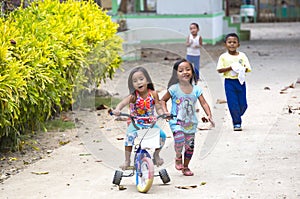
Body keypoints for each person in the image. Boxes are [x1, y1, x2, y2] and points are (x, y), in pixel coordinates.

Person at [161, 59, 214, 176]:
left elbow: (204, 103)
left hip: (191, 123)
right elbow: (163, 100)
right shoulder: (174, 89)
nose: (185, 72)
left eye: (188, 69)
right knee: (179, 139)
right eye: (181, 70)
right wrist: (165, 112)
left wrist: (209, 115)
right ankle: (178, 156)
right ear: (176, 74)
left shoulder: (196, 89)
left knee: (190, 147)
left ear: (192, 72)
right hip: (176, 121)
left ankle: (186, 167)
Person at [112, 66, 166, 170]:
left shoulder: (153, 94)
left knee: (162, 135)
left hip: (151, 123)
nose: (139, 82)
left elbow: (158, 106)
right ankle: (127, 160)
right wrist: (117, 110)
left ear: (147, 80)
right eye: (135, 81)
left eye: (141, 79)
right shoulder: (133, 96)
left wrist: (162, 113)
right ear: (132, 84)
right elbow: (122, 103)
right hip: (136, 123)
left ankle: (156, 154)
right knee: (129, 137)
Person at [216, 33, 252, 131]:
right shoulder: (223, 57)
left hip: (240, 82)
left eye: (234, 42)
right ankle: (236, 122)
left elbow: (248, 68)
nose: (232, 44)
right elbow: (219, 69)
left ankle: (237, 114)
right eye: (229, 42)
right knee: (232, 103)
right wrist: (230, 68)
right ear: (225, 44)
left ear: (238, 44)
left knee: (243, 105)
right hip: (229, 83)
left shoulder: (242, 56)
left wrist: (241, 69)